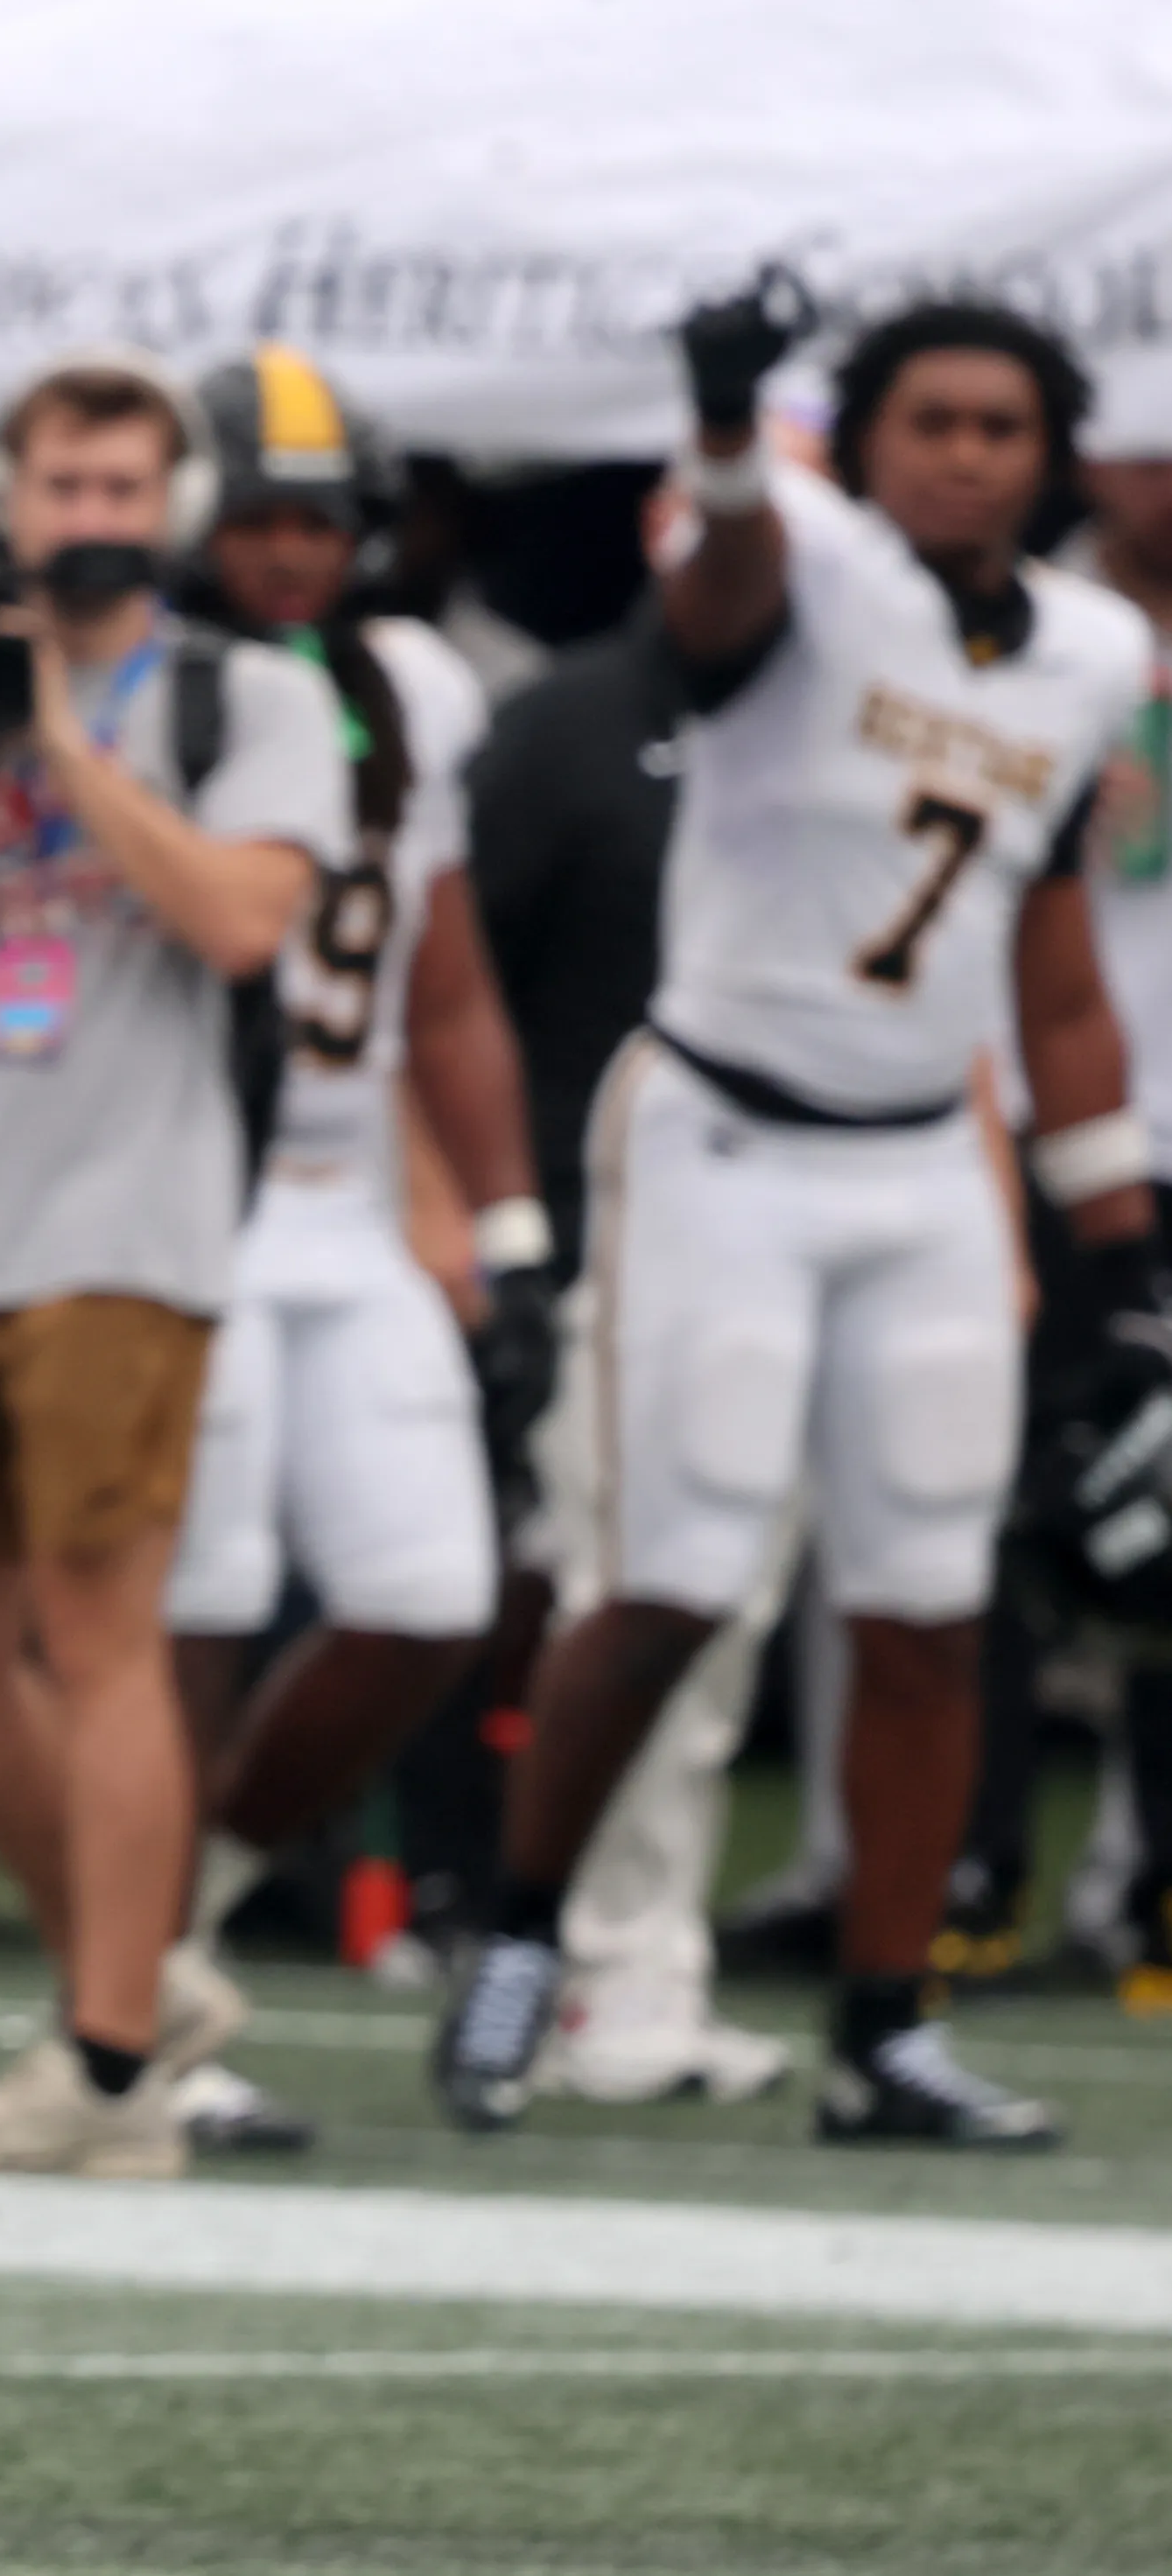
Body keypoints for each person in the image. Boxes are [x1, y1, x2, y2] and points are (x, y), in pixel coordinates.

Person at [431, 291, 1158, 2149]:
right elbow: (714, 608)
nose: (968, 453)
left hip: (924, 1156)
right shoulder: (803, 549)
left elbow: (1051, 954)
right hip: (725, 1136)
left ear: (1048, 452)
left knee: (927, 1596)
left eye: (1004, 425)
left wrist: (1127, 1247)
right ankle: (522, 1936)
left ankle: (883, 2026)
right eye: (934, 419)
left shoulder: (1088, 648)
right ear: (876, 435)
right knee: (671, 1579)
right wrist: (732, 421)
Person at [0, 349, 347, 2180]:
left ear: (170, 510)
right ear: (7, 499)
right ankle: (141, 1979)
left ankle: (106, 2066)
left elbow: (241, 921)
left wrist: (57, 737)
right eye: (63, 488)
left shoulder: (244, 694)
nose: (90, 520)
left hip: (128, 1211)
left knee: (101, 1627)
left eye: (123, 489)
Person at [152, 348, 558, 2097]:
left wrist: (507, 1218)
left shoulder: (413, 685)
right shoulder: (151, 686)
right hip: (180, 1192)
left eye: (316, 521)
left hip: (345, 1202)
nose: (286, 554)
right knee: (204, 1596)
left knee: (428, 1592)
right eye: (250, 518)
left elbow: (446, 990)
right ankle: (144, 1986)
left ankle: (178, 1895)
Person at [451, 494, 798, 2107]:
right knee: (626, 1592)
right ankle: (579, 1961)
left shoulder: (843, 732)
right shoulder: (571, 726)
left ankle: (647, 1958)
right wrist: (500, 1217)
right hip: (607, 1227)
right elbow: (456, 992)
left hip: (788, 1227)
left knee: (723, 1617)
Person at [1055, 449, 1172, 1998]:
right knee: (1002, 1507)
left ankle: (1144, 1876)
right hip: (1039, 1108)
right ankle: (941, 1874)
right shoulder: (1022, 619)